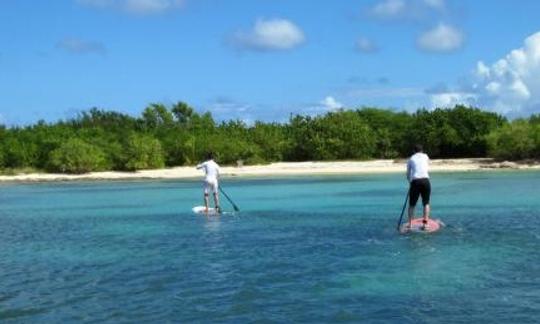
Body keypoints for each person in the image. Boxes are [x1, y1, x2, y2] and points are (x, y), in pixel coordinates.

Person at [406, 144, 431, 230]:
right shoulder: (426, 156)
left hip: (415, 181)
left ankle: (410, 224)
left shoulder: (411, 158)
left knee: (411, 204)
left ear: (414, 151)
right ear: (422, 150)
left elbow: (408, 174)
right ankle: (425, 224)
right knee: (426, 203)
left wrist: (410, 182)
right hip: (425, 181)